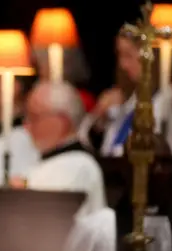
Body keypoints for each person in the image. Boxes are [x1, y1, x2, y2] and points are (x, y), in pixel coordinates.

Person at [79, 34, 172, 156]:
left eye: (128, 55)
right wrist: (99, 114)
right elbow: (85, 141)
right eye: (120, 55)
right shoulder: (127, 101)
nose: (122, 65)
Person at [14, 81, 106, 218]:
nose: (27, 126)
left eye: (34, 117)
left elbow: (49, 218)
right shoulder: (45, 160)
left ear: (60, 121)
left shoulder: (80, 165)